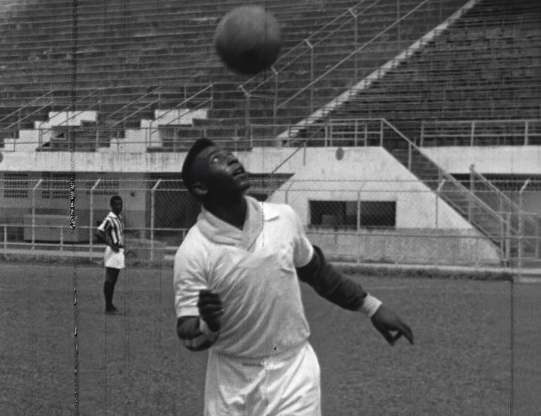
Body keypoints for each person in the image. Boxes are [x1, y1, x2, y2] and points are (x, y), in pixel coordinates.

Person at [173, 138, 414, 415]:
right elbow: (189, 336)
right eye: (217, 160)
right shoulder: (193, 251)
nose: (232, 160)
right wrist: (208, 325)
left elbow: (318, 273)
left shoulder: (282, 218)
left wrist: (372, 307)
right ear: (200, 187)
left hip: (292, 370)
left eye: (230, 155)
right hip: (233, 381)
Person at [95, 195, 125, 314]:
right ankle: (107, 306)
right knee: (109, 279)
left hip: (119, 251)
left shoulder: (119, 218)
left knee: (114, 280)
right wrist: (111, 244)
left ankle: (110, 304)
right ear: (112, 206)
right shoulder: (110, 219)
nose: (119, 206)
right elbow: (98, 233)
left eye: (121, 204)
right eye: (117, 204)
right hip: (113, 251)